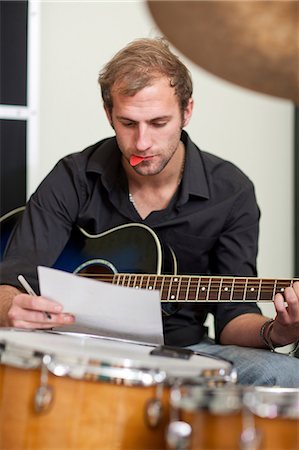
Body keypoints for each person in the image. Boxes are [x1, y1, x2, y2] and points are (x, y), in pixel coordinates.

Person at [0, 37, 298, 386]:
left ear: (187, 112)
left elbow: (233, 319)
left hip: (185, 351)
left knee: (285, 374)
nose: (141, 143)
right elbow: (12, 278)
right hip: (73, 346)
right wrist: (8, 308)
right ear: (108, 114)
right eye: (128, 123)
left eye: (158, 123)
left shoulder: (231, 191)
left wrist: (277, 331)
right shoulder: (73, 176)